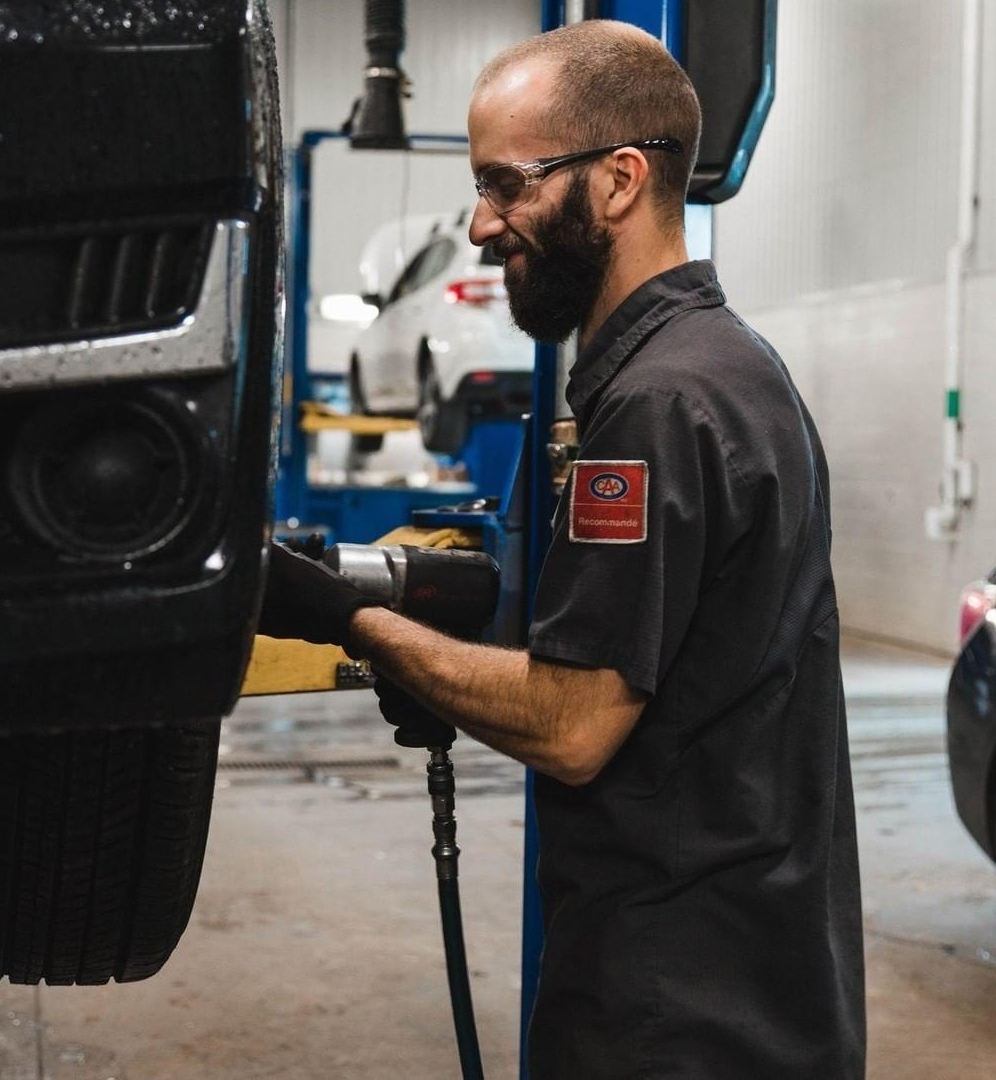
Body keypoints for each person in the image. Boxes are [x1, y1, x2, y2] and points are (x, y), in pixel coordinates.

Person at [262, 19, 866, 1079]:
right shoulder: (727, 366)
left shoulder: (657, 406)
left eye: (509, 184)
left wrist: (349, 617)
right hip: (752, 982)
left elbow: (576, 722)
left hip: (678, 1011)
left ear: (621, 180)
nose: (483, 225)